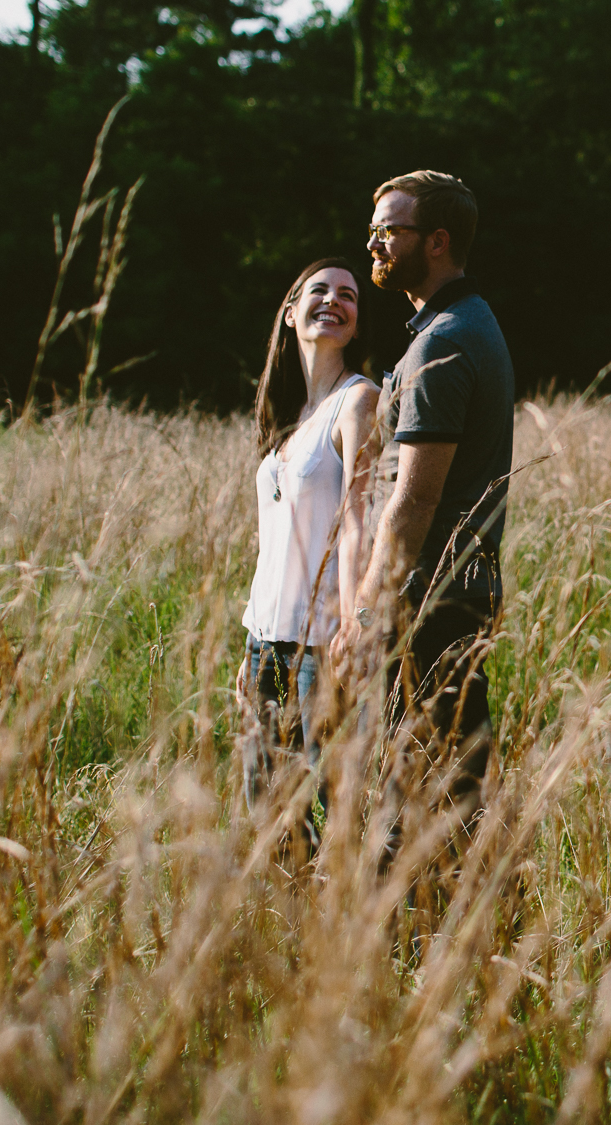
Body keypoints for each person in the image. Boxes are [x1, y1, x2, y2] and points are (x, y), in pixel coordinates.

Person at [330, 171, 514, 852]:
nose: (374, 242)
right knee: (439, 794)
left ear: (436, 241)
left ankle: (427, 946)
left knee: (420, 809)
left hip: (431, 602)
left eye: (389, 229)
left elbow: (414, 498)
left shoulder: (444, 340)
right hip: (451, 595)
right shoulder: (458, 324)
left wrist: (369, 613)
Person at [237, 257, 379, 814]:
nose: (334, 300)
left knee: (316, 803)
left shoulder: (358, 399)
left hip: (319, 642)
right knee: (262, 804)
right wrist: (249, 641)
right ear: (291, 313)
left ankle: (335, 901)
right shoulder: (286, 414)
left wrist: (353, 624)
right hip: (263, 637)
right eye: (319, 291)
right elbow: (270, 539)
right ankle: (288, 905)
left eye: (349, 295)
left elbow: (356, 518)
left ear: (356, 324)